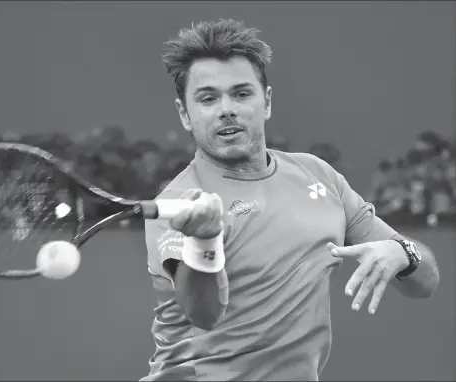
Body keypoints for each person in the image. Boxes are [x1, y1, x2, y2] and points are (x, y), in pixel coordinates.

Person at [141, 19, 440, 381]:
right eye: (208, 98)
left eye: (241, 93)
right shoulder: (177, 205)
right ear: (185, 115)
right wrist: (203, 240)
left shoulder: (318, 176)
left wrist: (401, 253)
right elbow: (201, 315)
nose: (226, 109)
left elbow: (426, 283)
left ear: (266, 102)